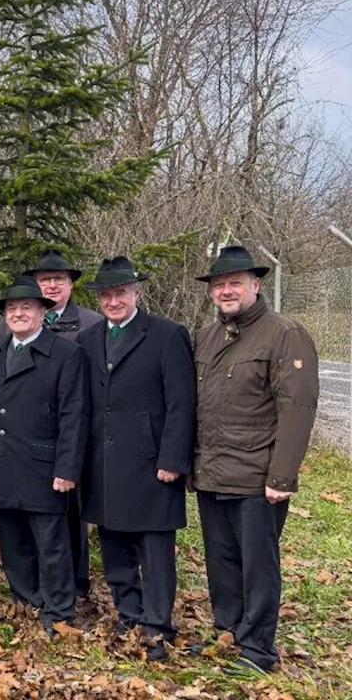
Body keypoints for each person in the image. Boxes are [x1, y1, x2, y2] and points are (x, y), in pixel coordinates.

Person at [191, 246, 318, 673]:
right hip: (212, 473)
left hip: (257, 476)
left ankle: (259, 649)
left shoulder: (284, 333)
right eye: (219, 285)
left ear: (256, 285)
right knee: (221, 561)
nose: (226, 291)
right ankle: (229, 631)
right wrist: (194, 464)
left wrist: (282, 476)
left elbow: (297, 408)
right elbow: (198, 408)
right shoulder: (207, 337)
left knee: (257, 567)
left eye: (235, 283)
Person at [77, 257, 196, 661]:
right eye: (106, 295)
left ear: (137, 294)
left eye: (120, 293)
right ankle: (128, 613)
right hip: (103, 462)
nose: (113, 301)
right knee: (113, 544)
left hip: (151, 462)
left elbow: (182, 404)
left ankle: (157, 624)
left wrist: (173, 458)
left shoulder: (167, 335)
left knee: (154, 548)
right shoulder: (89, 340)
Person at [0, 276, 88, 635]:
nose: (18, 314)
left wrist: (67, 468)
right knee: (12, 540)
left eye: (26, 308)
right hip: (2, 461)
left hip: (43, 465)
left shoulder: (66, 354)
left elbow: (73, 416)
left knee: (51, 545)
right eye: (11, 309)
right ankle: (25, 598)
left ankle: (59, 610)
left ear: (42, 313)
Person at [0, 249, 103, 596]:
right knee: (39, 521)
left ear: (70, 284)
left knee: (73, 515)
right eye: (45, 280)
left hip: (77, 432)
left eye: (59, 279)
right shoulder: (12, 321)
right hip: (33, 441)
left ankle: (75, 583)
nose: (53, 285)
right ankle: (39, 585)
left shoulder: (91, 323)